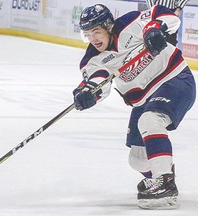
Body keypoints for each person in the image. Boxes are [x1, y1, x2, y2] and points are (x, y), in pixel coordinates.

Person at [73, 4, 196, 209]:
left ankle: (165, 182)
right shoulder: (92, 59)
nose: (93, 39)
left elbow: (166, 15)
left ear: (108, 26)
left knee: (150, 120)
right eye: (88, 34)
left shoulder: (131, 23)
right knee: (138, 159)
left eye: (96, 31)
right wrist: (86, 94)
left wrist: (154, 28)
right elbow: (97, 83)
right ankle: (160, 174)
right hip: (143, 99)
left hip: (175, 79)